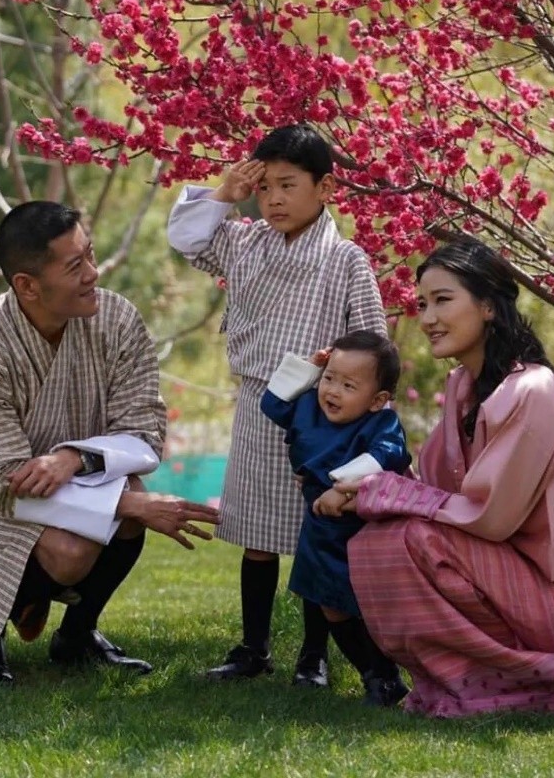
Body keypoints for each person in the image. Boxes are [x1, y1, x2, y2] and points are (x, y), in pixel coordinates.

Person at [0, 200, 219, 685]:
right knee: (76, 546)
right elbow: (2, 484)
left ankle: (77, 633)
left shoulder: (117, 319)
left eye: (89, 255)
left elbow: (146, 430)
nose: (93, 273)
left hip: (75, 480)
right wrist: (132, 506)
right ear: (27, 286)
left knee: (126, 492)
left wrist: (74, 458)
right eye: (75, 266)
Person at [330, 239, 554, 717]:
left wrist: (385, 491)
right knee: (375, 540)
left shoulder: (533, 390)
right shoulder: (462, 388)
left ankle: (532, 687)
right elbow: (430, 488)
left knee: (408, 537)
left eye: (443, 300)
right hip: (513, 582)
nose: (427, 317)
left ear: (489, 305)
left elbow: (488, 517)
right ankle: (467, 681)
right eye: (422, 303)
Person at [167, 124, 387, 687]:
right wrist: (223, 194)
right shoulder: (244, 240)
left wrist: (345, 384)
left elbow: (371, 341)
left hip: (324, 412)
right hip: (256, 400)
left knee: (315, 533)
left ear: (326, 188)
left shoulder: (346, 260)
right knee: (259, 538)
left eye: (288, 185)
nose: (274, 200)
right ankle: (253, 646)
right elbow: (187, 240)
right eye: (264, 188)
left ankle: (314, 654)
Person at [260, 331, 411, 705]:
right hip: (320, 525)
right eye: (329, 378)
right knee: (330, 604)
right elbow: (271, 403)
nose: (333, 391)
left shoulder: (380, 424)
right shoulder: (308, 406)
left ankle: (389, 670)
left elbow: (388, 455)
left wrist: (343, 487)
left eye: (348, 385)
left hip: (364, 523)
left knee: (366, 605)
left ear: (378, 400)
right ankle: (376, 676)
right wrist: (308, 369)